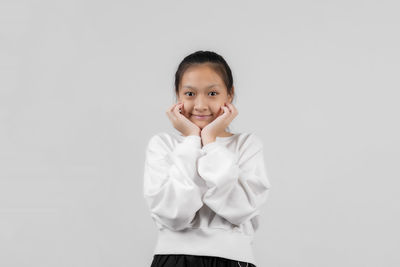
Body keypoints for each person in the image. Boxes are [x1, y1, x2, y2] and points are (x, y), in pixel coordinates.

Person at [143, 50, 271, 267]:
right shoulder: (163, 144)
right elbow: (174, 214)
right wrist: (192, 139)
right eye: (190, 94)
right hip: (172, 261)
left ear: (229, 95)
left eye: (212, 94)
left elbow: (239, 210)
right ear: (178, 95)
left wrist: (210, 140)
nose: (200, 105)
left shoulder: (247, 145)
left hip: (232, 261)